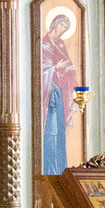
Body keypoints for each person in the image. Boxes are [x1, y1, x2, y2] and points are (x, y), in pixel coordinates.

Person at [39, 9, 78, 176]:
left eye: (66, 28)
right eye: (62, 25)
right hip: (49, 94)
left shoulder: (61, 45)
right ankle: (50, 170)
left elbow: (65, 66)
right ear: (55, 24)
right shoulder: (43, 44)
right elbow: (41, 69)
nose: (63, 30)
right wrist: (56, 68)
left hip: (60, 92)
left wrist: (69, 69)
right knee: (51, 131)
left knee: (59, 131)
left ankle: (60, 170)